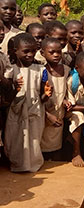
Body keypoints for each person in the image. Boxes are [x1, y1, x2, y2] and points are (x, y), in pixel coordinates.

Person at [4, 33, 51, 172]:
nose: (30, 54)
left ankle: (34, 164)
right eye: (26, 51)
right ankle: (17, 165)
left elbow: (43, 94)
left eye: (33, 51)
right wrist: (14, 87)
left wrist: (46, 95)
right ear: (15, 50)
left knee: (34, 138)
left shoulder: (41, 70)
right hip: (15, 111)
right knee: (15, 138)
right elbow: (7, 95)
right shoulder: (11, 70)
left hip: (35, 110)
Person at [40, 38, 71, 159]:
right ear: (43, 53)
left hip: (59, 114)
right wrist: (47, 115)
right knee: (43, 148)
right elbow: (38, 98)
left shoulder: (66, 70)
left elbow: (65, 90)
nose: (56, 55)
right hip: (46, 115)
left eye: (59, 52)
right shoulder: (42, 72)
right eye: (52, 52)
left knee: (57, 148)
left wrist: (65, 100)